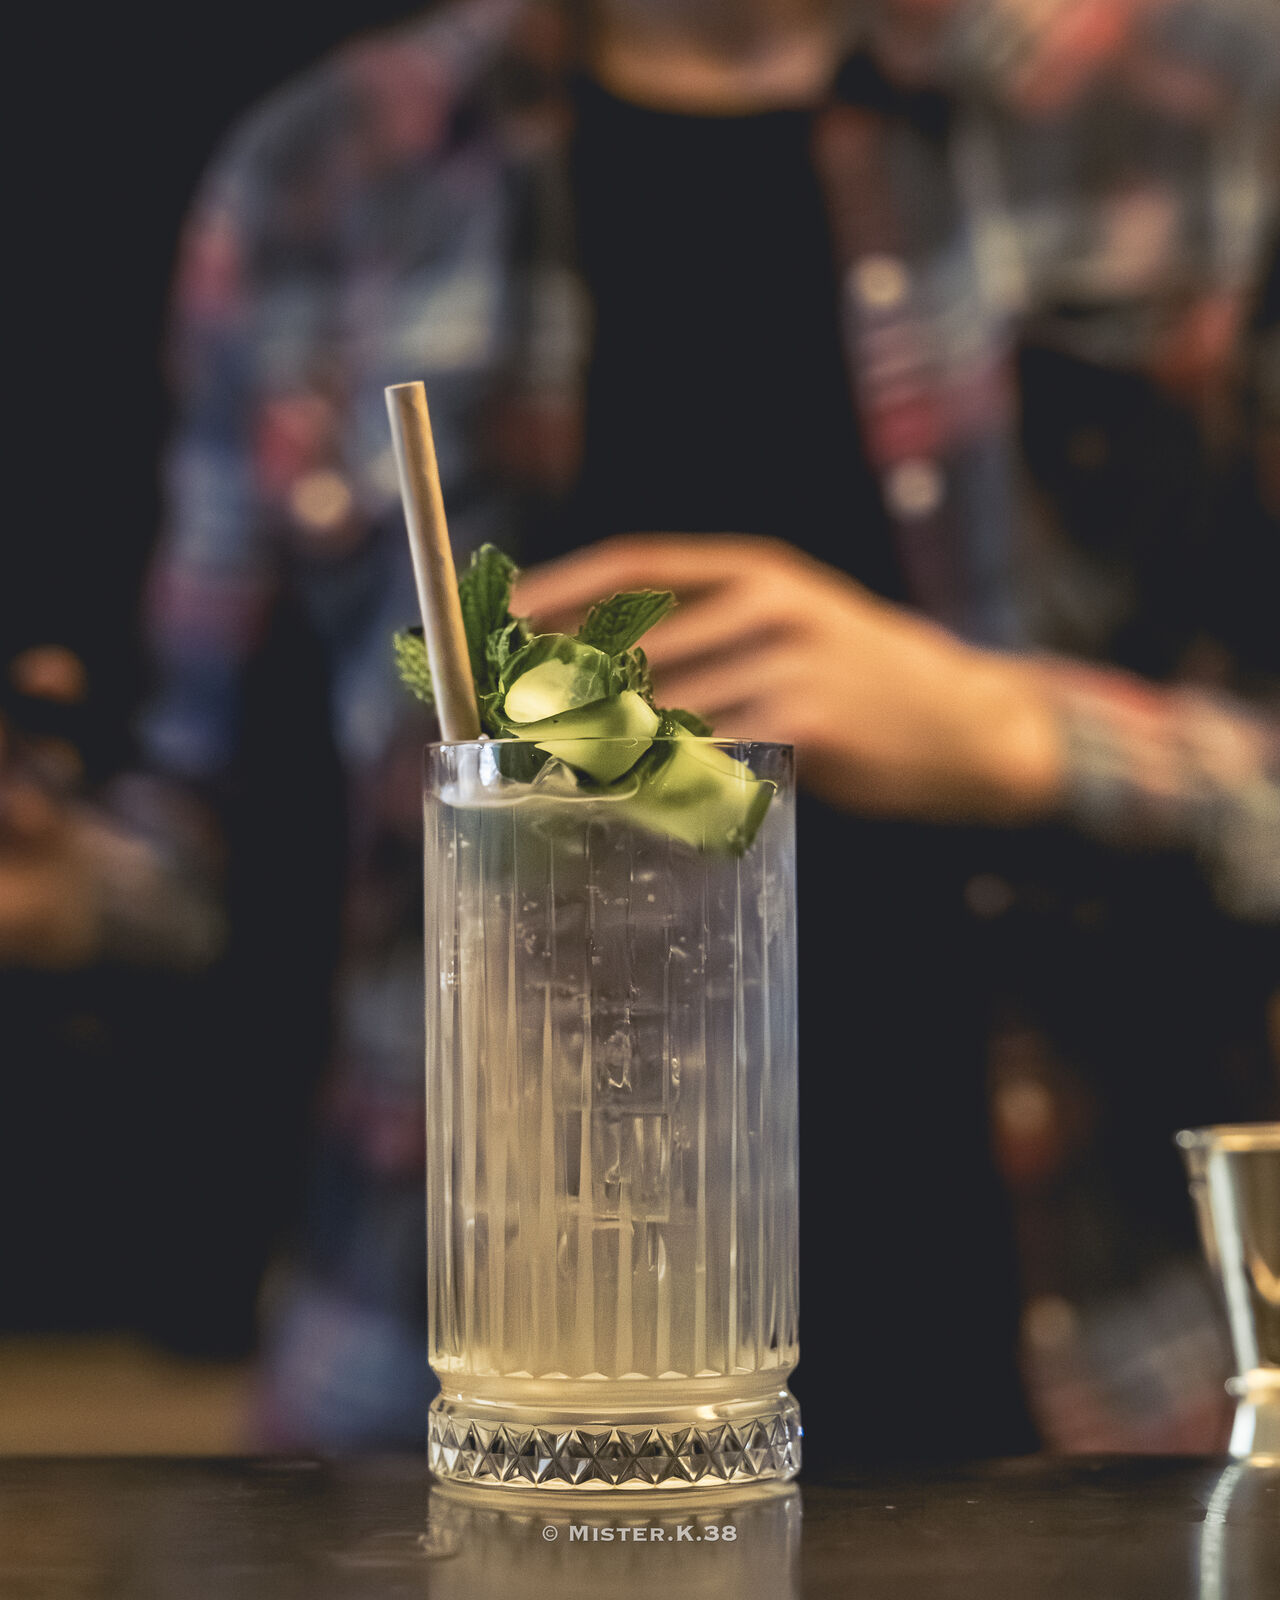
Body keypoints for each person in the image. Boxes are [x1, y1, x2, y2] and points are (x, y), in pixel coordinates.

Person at [6, 0, 1278, 1456]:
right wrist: (56, 885)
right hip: (457, 1395)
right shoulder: (325, 170)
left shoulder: (1203, 105)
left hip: (1082, 1383)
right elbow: (204, 843)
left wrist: (1019, 736)